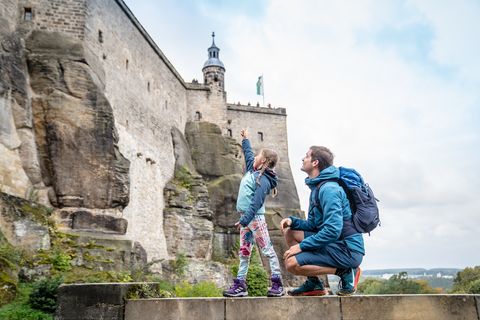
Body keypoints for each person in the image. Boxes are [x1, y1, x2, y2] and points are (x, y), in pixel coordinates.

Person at [280, 146, 364, 296]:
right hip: (336, 243)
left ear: (315, 163)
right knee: (291, 232)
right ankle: (314, 283)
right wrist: (293, 222)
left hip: (347, 249)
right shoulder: (318, 188)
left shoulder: (329, 189)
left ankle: (345, 272)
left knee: (291, 263)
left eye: (306, 156)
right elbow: (313, 225)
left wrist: (301, 247)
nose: (302, 159)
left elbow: (333, 230)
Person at [223, 129, 285, 297]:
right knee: (244, 252)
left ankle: (277, 283)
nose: (254, 157)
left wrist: (244, 221)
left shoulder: (263, 179)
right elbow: (249, 155)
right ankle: (240, 285)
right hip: (245, 218)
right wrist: (246, 139)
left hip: (254, 219)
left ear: (263, 161)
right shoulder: (252, 170)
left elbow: (256, 202)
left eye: (258, 156)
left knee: (267, 250)